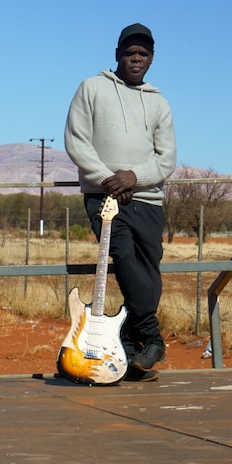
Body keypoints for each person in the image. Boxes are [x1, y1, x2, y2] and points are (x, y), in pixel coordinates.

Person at [64, 23, 177, 381]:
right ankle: (154, 340)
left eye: (144, 54)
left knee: (148, 274)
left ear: (152, 59)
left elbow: (166, 159)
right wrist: (108, 180)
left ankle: (129, 349)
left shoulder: (159, 102)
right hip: (104, 198)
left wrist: (133, 177)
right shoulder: (92, 88)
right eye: (130, 53)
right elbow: (77, 141)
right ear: (117, 54)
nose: (136, 59)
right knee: (125, 258)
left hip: (147, 198)